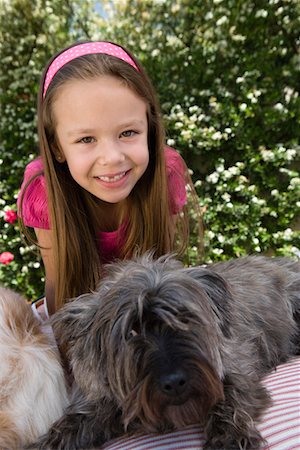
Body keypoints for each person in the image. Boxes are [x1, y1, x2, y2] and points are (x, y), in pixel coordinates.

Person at [18, 41, 201, 318]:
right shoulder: (44, 192)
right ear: (57, 147)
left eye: (128, 133)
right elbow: (60, 293)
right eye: (86, 139)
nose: (112, 157)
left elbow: (164, 278)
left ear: (149, 130)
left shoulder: (165, 175)